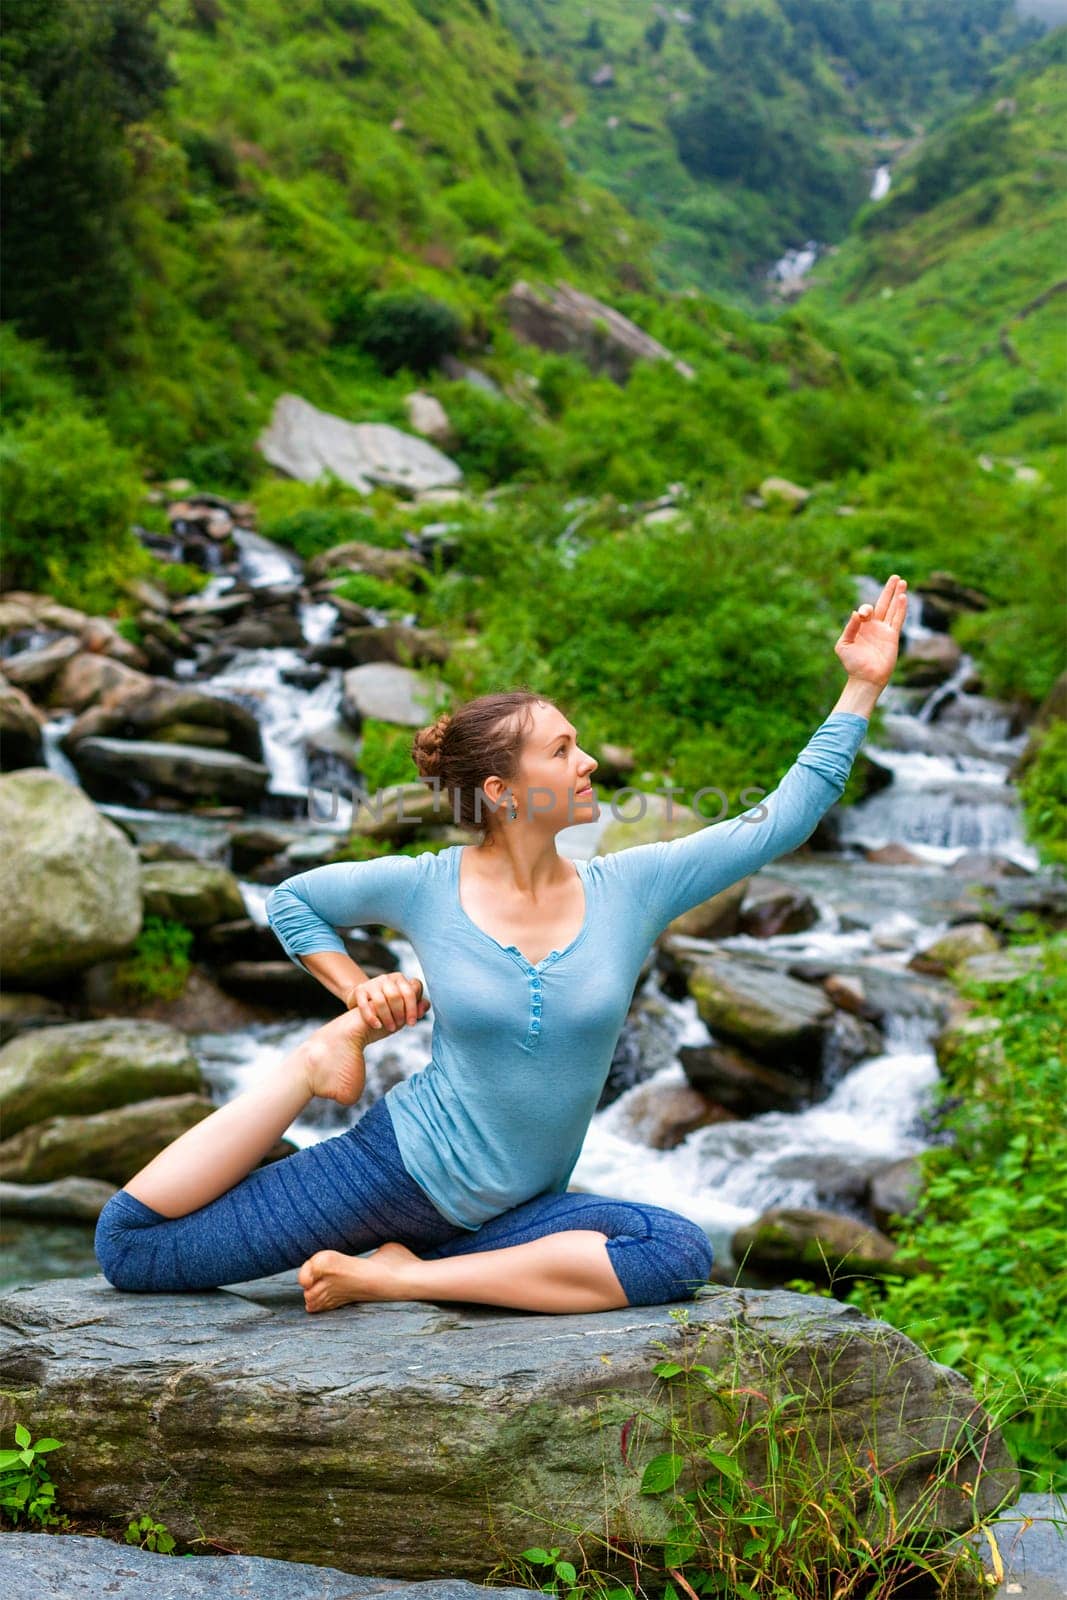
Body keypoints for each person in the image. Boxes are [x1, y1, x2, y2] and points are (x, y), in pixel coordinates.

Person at [95, 576, 908, 1316]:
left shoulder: (632, 888)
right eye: (561, 751)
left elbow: (782, 817)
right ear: (501, 791)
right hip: (395, 1173)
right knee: (133, 1249)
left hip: (510, 1212)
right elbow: (295, 901)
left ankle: (392, 1275)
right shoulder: (426, 885)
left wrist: (861, 683)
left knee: (675, 1250)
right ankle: (309, 1067)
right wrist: (352, 995)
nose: (588, 761)